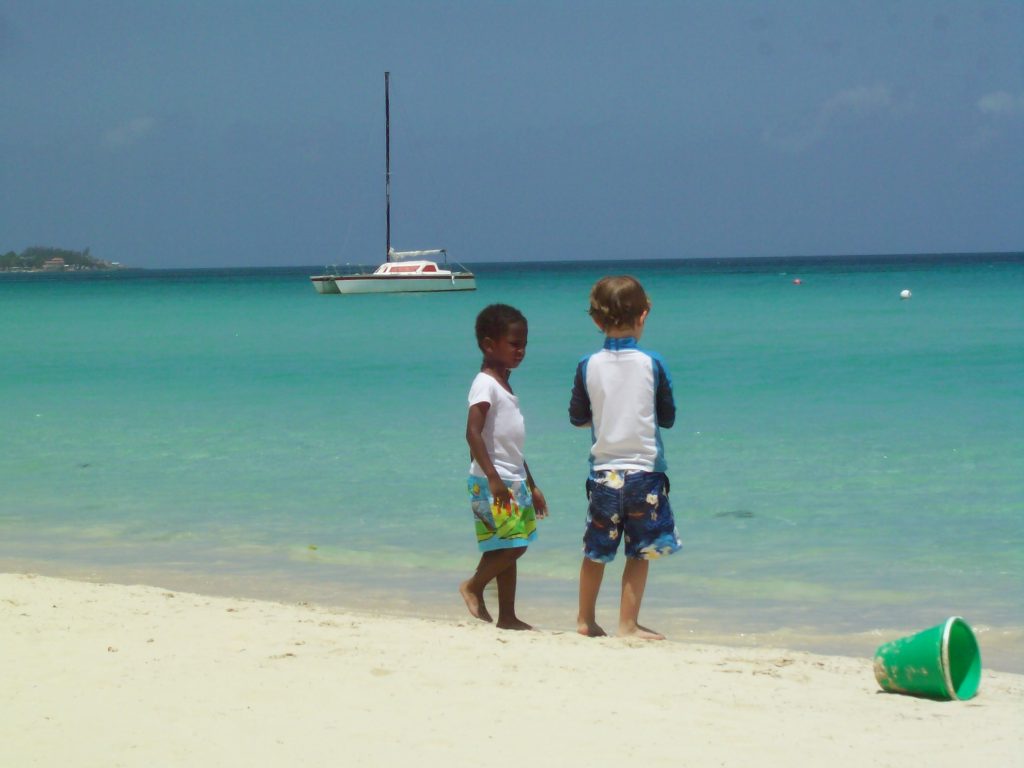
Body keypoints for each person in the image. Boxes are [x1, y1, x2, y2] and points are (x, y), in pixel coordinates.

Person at [568, 276, 682, 639]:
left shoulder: (588, 365)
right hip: (644, 473)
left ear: (595, 321)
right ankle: (627, 624)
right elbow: (667, 417)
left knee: (595, 551)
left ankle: (585, 620)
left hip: (603, 473)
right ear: (643, 316)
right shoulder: (653, 363)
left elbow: (577, 418)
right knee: (639, 552)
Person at [460, 303, 549, 630]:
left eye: (524, 343)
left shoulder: (504, 386)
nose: (521, 350)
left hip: (512, 479)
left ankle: (507, 616)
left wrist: (532, 484)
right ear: (488, 345)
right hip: (491, 482)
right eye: (514, 344)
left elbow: (510, 446)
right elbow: (472, 432)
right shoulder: (485, 384)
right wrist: (494, 480)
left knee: (506, 547)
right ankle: (472, 585)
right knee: (515, 545)